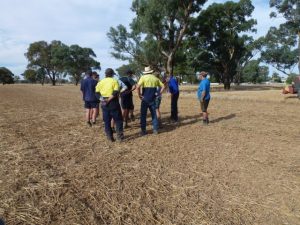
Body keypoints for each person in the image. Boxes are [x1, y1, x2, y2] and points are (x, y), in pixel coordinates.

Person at [95, 68, 124, 142]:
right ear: (112, 74)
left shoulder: (100, 82)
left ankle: (109, 136)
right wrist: (108, 100)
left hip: (104, 103)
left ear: (105, 74)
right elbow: (115, 92)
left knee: (107, 121)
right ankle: (119, 137)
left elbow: (97, 93)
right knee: (118, 120)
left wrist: (103, 100)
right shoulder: (114, 81)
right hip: (113, 102)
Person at [137, 66, 165, 135]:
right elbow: (163, 86)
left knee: (143, 115)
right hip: (153, 99)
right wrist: (158, 94)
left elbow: (137, 87)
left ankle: (143, 131)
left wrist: (139, 95)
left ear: (145, 72)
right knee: (154, 115)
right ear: (151, 72)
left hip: (145, 99)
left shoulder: (143, 77)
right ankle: (155, 130)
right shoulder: (155, 78)